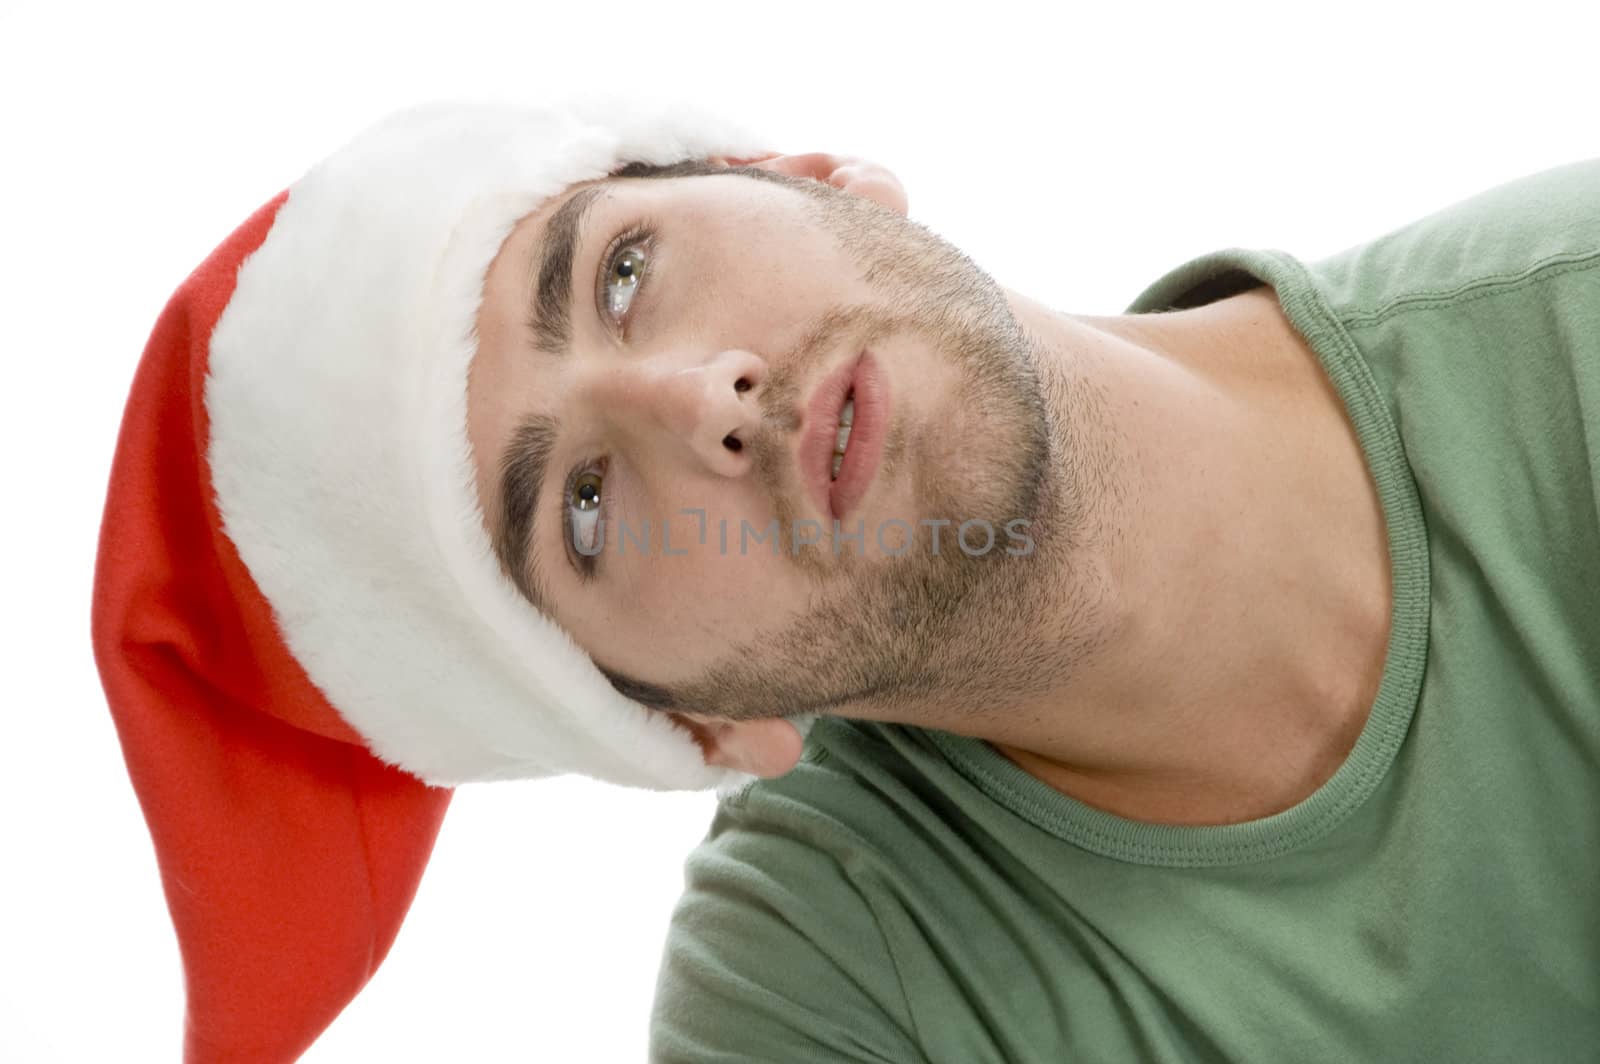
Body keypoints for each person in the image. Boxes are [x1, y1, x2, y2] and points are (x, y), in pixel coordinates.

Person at [91, 96, 1598, 1062]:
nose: (701, 402)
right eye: (589, 508)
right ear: (691, 735)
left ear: (803, 172)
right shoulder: (838, 1002)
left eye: (621, 273)